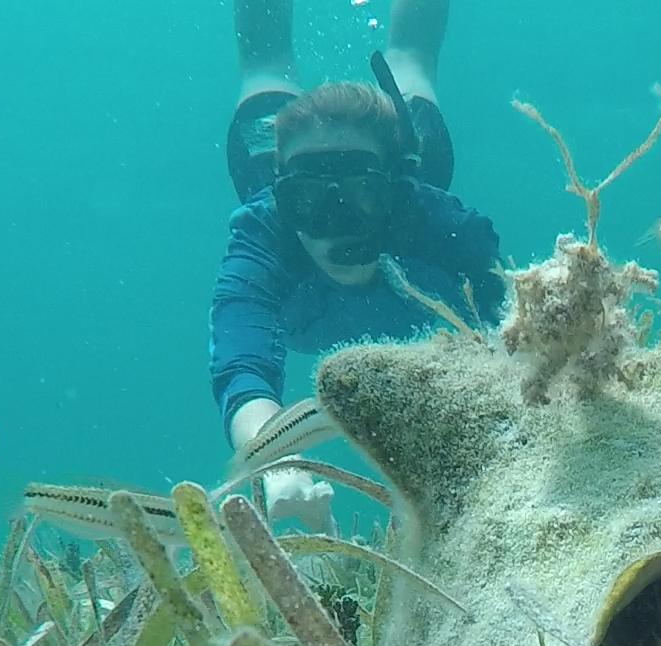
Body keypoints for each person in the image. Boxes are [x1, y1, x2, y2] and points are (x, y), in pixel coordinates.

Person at [210, 0, 505, 529]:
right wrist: (275, 464)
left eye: (360, 194)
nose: (333, 220)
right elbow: (243, 366)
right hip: (280, 166)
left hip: (408, 164)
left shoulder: (436, 221)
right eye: (307, 197)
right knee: (265, 65)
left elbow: (511, 341)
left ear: (391, 190)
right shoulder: (266, 233)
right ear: (283, 193)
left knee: (407, 59)